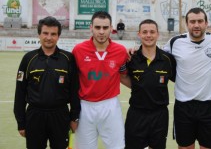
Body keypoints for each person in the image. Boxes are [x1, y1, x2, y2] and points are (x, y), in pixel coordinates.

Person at [163, 7, 211, 149]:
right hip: (184, 107)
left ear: (206, 23)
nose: (196, 25)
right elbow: (154, 55)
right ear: (186, 24)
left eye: (200, 21)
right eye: (192, 21)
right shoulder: (175, 42)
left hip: (209, 107)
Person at [13, 16, 80, 149]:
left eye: (53, 34)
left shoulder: (68, 58)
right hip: (35, 116)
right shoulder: (28, 59)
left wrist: (74, 117)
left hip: (60, 115)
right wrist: (21, 122)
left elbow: (75, 90)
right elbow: (20, 93)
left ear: (58, 36)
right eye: (45, 33)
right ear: (39, 34)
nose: (49, 37)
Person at [72, 11, 129, 149]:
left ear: (111, 28)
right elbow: (72, 83)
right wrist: (72, 114)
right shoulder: (78, 50)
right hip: (85, 107)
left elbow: (124, 76)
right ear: (91, 27)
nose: (101, 32)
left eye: (105, 28)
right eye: (97, 28)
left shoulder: (121, 51)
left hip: (110, 106)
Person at [124, 19, 176, 149]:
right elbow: (122, 77)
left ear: (158, 34)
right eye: (145, 32)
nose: (148, 35)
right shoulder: (131, 58)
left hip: (159, 115)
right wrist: (138, 85)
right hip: (136, 114)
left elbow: (178, 80)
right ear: (139, 34)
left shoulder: (168, 59)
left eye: (152, 32)